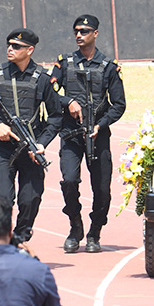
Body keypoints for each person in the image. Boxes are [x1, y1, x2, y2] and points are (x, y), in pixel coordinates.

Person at [0, 29, 66, 247]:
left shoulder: (43, 79)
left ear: (30, 50)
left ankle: (21, 235)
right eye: (9, 45)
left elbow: (55, 117)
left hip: (32, 151)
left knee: (31, 199)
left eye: (16, 47)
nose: (10, 50)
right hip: (4, 149)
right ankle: (6, 241)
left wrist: (42, 143)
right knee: (3, 200)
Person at [51, 14, 126, 254]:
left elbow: (119, 104)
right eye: (76, 31)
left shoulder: (109, 66)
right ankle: (75, 226)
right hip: (71, 134)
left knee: (102, 188)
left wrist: (101, 124)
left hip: (98, 134)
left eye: (84, 31)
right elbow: (50, 93)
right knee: (69, 180)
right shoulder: (64, 63)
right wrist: (68, 102)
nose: (79, 35)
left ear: (95, 34)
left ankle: (95, 231)